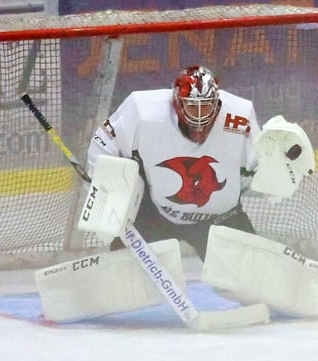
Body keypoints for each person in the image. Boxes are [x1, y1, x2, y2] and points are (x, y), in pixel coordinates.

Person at [86, 64, 260, 258]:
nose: (201, 114)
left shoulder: (239, 117)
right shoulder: (143, 111)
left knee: (250, 282)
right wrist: (103, 187)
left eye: (207, 104)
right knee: (127, 273)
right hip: (153, 214)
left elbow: (257, 170)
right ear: (178, 102)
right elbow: (104, 143)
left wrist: (277, 170)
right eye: (193, 106)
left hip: (220, 218)